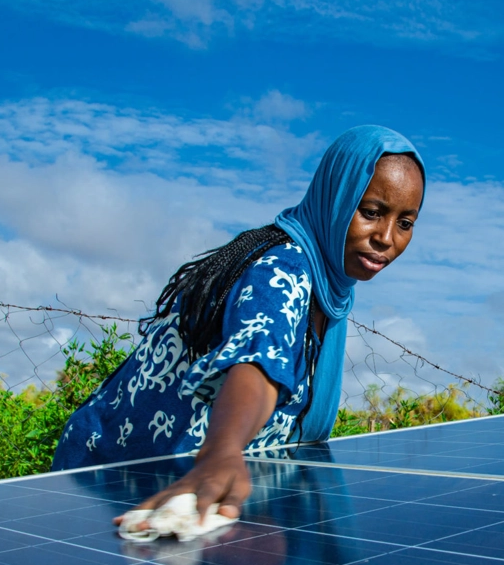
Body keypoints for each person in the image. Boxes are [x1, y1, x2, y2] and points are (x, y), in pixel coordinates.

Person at [49, 124, 426, 531]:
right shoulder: (282, 270)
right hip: (108, 477)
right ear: (335, 197)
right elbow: (258, 363)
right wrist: (224, 448)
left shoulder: (330, 288)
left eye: (405, 223)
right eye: (371, 212)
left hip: (186, 482)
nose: (386, 238)